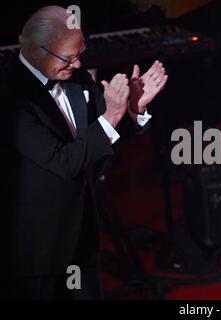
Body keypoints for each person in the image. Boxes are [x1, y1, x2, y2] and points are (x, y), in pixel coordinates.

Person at [0, 6, 168, 299]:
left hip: (83, 237)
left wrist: (133, 110)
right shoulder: (8, 95)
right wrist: (112, 116)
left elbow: (101, 136)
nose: (78, 65)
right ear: (36, 51)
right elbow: (64, 161)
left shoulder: (75, 78)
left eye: (81, 54)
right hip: (36, 252)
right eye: (69, 57)